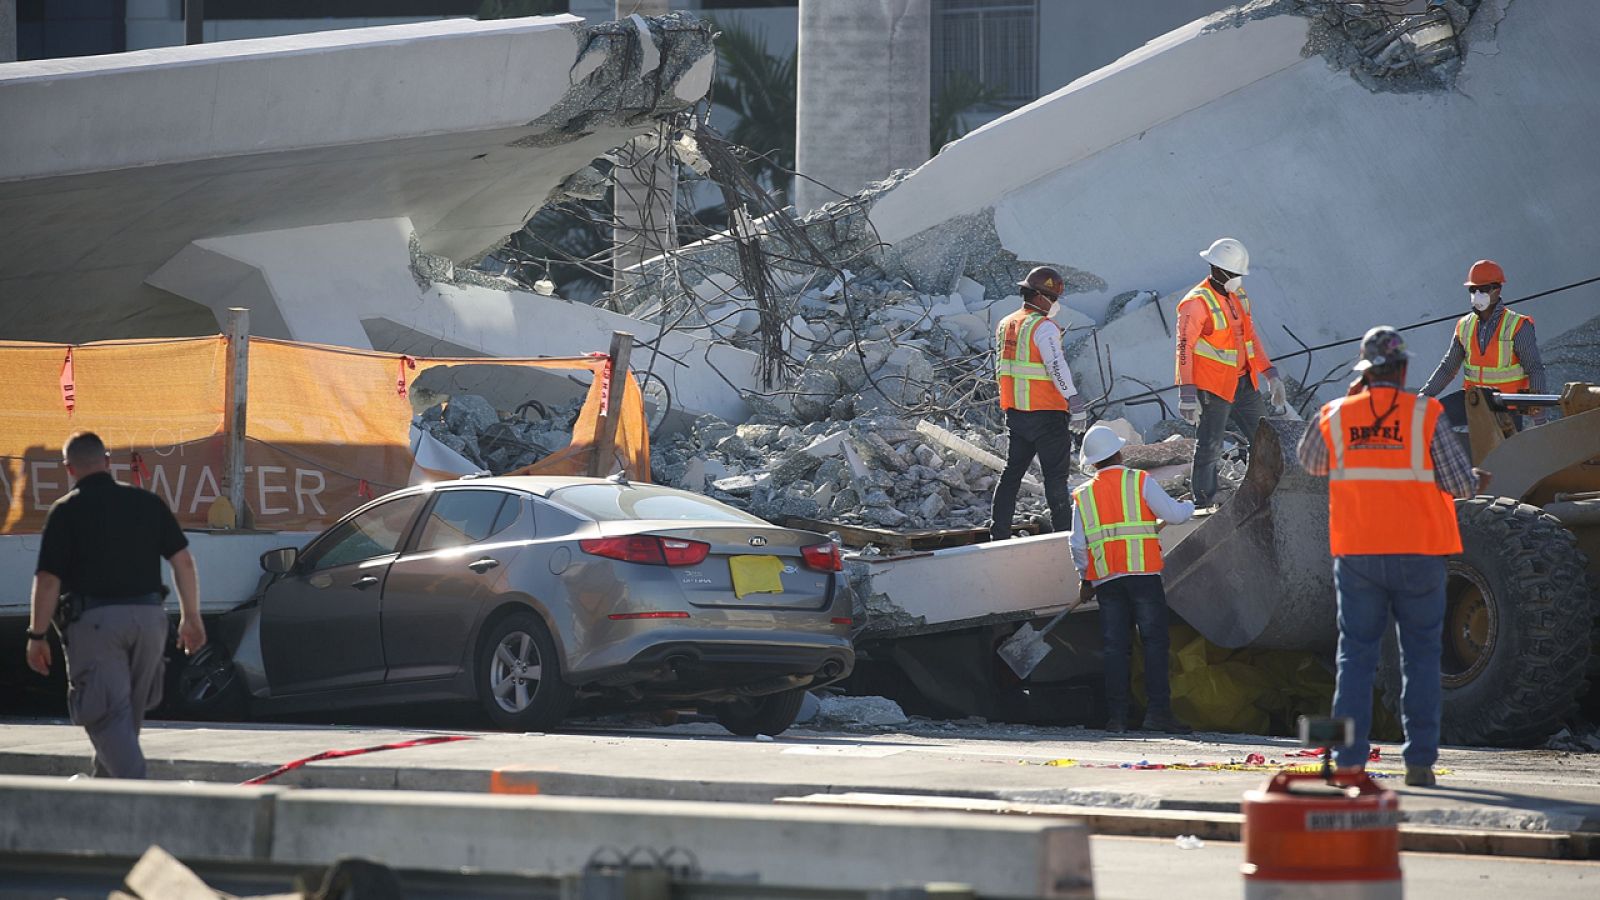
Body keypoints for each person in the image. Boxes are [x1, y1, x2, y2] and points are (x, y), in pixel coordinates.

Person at [1296, 328, 1487, 787]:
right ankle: (1419, 762)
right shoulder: (1426, 414)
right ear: (1402, 370)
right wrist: (1475, 477)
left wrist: (1347, 406)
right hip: (1419, 553)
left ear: (1363, 372)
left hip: (1358, 554)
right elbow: (1460, 485)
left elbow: (1310, 462)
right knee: (1421, 657)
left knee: (1355, 658)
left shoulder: (1336, 414)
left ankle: (1348, 762)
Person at [25, 432, 206, 779]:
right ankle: (103, 794)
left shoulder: (66, 510)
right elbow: (182, 561)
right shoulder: (147, 503)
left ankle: (136, 801)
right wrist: (191, 617)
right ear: (107, 461)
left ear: (69, 469)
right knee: (125, 720)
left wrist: (36, 635)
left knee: (106, 716)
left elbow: (48, 580)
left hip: (96, 625)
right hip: (151, 620)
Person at [1070, 424, 1196, 734]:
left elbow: (1076, 543)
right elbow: (1176, 515)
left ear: (1093, 462)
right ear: (1119, 452)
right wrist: (1190, 505)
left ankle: (1117, 718)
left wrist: (1085, 579)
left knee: (1116, 648)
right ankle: (1158, 714)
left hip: (1106, 581)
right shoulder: (1139, 480)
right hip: (1143, 576)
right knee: (1154, 644)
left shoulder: (1083, 495)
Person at [1175, 238, 1287, 508]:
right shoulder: (1195, 304)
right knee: (1210, 446)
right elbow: (1183, 349)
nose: (1239, 280)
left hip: (1244, 383)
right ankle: (1203, 504)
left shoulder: (1239, 298)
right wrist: (1187, 394)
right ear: (1219, 270)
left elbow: (1251, 340)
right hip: (1213, 387)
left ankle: (1268, 494)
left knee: (1265, 439)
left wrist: (1270, 373)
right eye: (1235, 274)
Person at [991, 265, 1089, 541]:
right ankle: (1065, 538)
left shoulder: (1006, 323)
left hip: (1016, 413)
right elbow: (1055, 365)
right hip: (1047, 415)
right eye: (1054, 298)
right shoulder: (1043, 327)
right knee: (1056, 480)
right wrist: (1074, 400)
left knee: (1011, 475)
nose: (1056, 304)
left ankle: (997, 534)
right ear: (1040, 296)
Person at [1421, 259, 1547, 419]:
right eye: (1473, 290)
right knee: (1434, 417)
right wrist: (1424, 396)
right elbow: (1448, 368)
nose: (1477, 295)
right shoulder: (1464, 325)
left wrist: (1539, 417)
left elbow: (1534, 369)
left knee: (1500, 443)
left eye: (1484, 289)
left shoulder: (1518, 326)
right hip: (1474, 402)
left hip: (1506, 407)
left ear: (1497, 289)